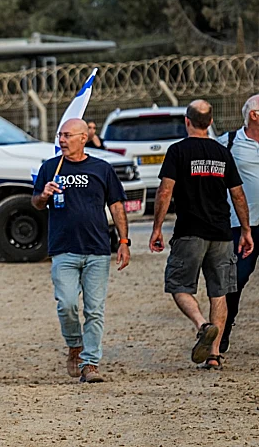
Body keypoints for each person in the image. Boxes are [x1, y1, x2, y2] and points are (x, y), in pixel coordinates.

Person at [150, 100, 254, 369]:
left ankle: (202, 325)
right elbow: (238, 194)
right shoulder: (222, 152)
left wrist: (157, 227)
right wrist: (245, 229)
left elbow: (165, 190)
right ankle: (214, 355)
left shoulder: (177, 151)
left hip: (190, 232)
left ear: (187, 121)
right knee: (219, 293)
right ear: (210, 123)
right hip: (221, 233)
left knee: (179, 285)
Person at [32, 118, 130, 384]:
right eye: (60, 135)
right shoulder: (50, 168)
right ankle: (74, 344)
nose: (62, 140)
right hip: (64, 248)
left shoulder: (101, 168)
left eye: (67, 135)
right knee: (66, 304)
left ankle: (90, 363)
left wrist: (124, 241)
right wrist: (44, 195)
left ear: (83, 138)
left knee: (95, 309)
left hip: (97, 249)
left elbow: (117, 205)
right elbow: (37, 203)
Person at [216, 95, 259, 353]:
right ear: (255, 115)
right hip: (242, 226)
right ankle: (223, 330)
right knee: (236, 279)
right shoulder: (229, 142)